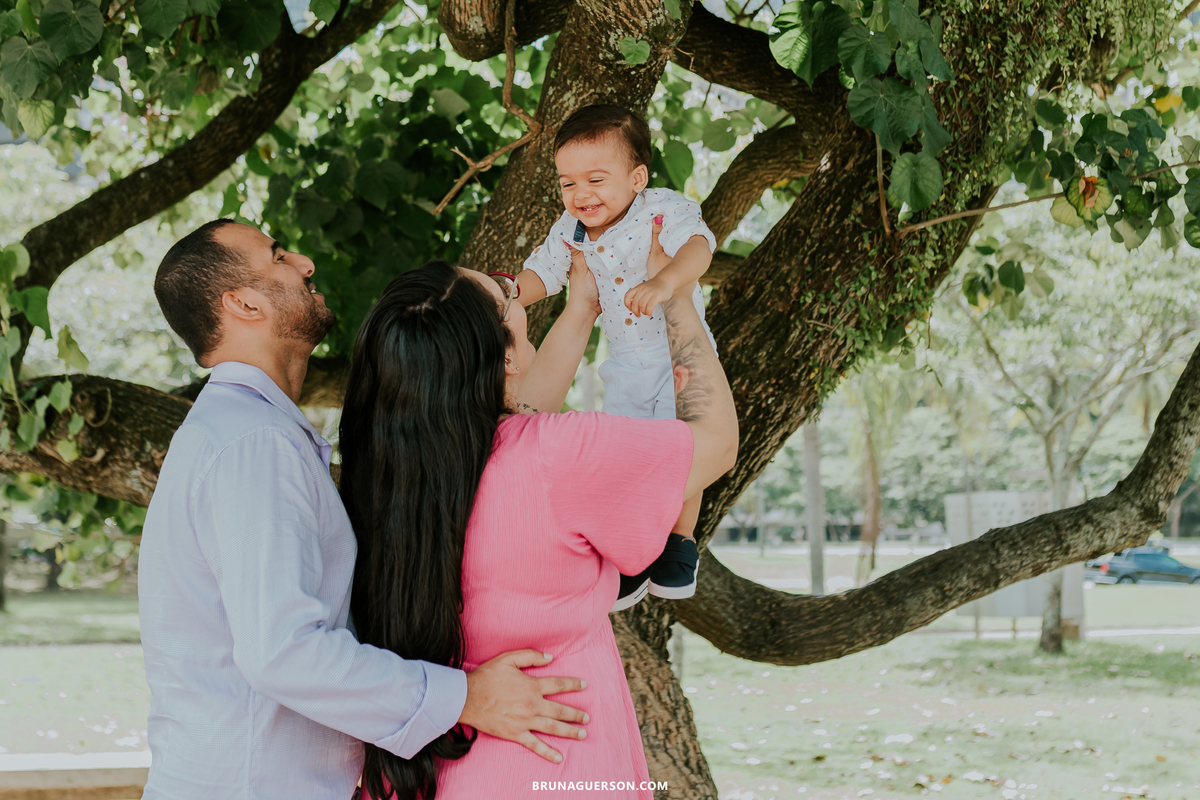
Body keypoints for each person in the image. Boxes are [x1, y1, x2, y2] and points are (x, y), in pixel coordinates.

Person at [139, 220, 590, 800]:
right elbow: (282, 652)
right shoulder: (253, 443)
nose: (303, 262)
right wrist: (466, 697)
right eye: (278, 256)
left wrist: (582, 309)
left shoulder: (249, 429)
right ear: (244, 303)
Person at [341, 223, 738, 799]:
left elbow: (519, 419)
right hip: (550, 765)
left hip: (425, 769)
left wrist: (581, 309)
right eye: (508, 293)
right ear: (504, 354)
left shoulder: (384, 470)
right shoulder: (556, 455)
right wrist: (676, 292)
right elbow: (717, 444)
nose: (517, 290)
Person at [514, 104, 718, 611]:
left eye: (595, 180)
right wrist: (507, 294)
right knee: (629, 450)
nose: (580, 194)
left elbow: (699, 248)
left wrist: (666, 281)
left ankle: (680, 541)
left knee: (682, 442)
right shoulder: (572, 228)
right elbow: (544, 273)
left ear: (636, 178)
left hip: (676, 354)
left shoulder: (661, 210)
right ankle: (636, 549)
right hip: (626, 362)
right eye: (567, 183)